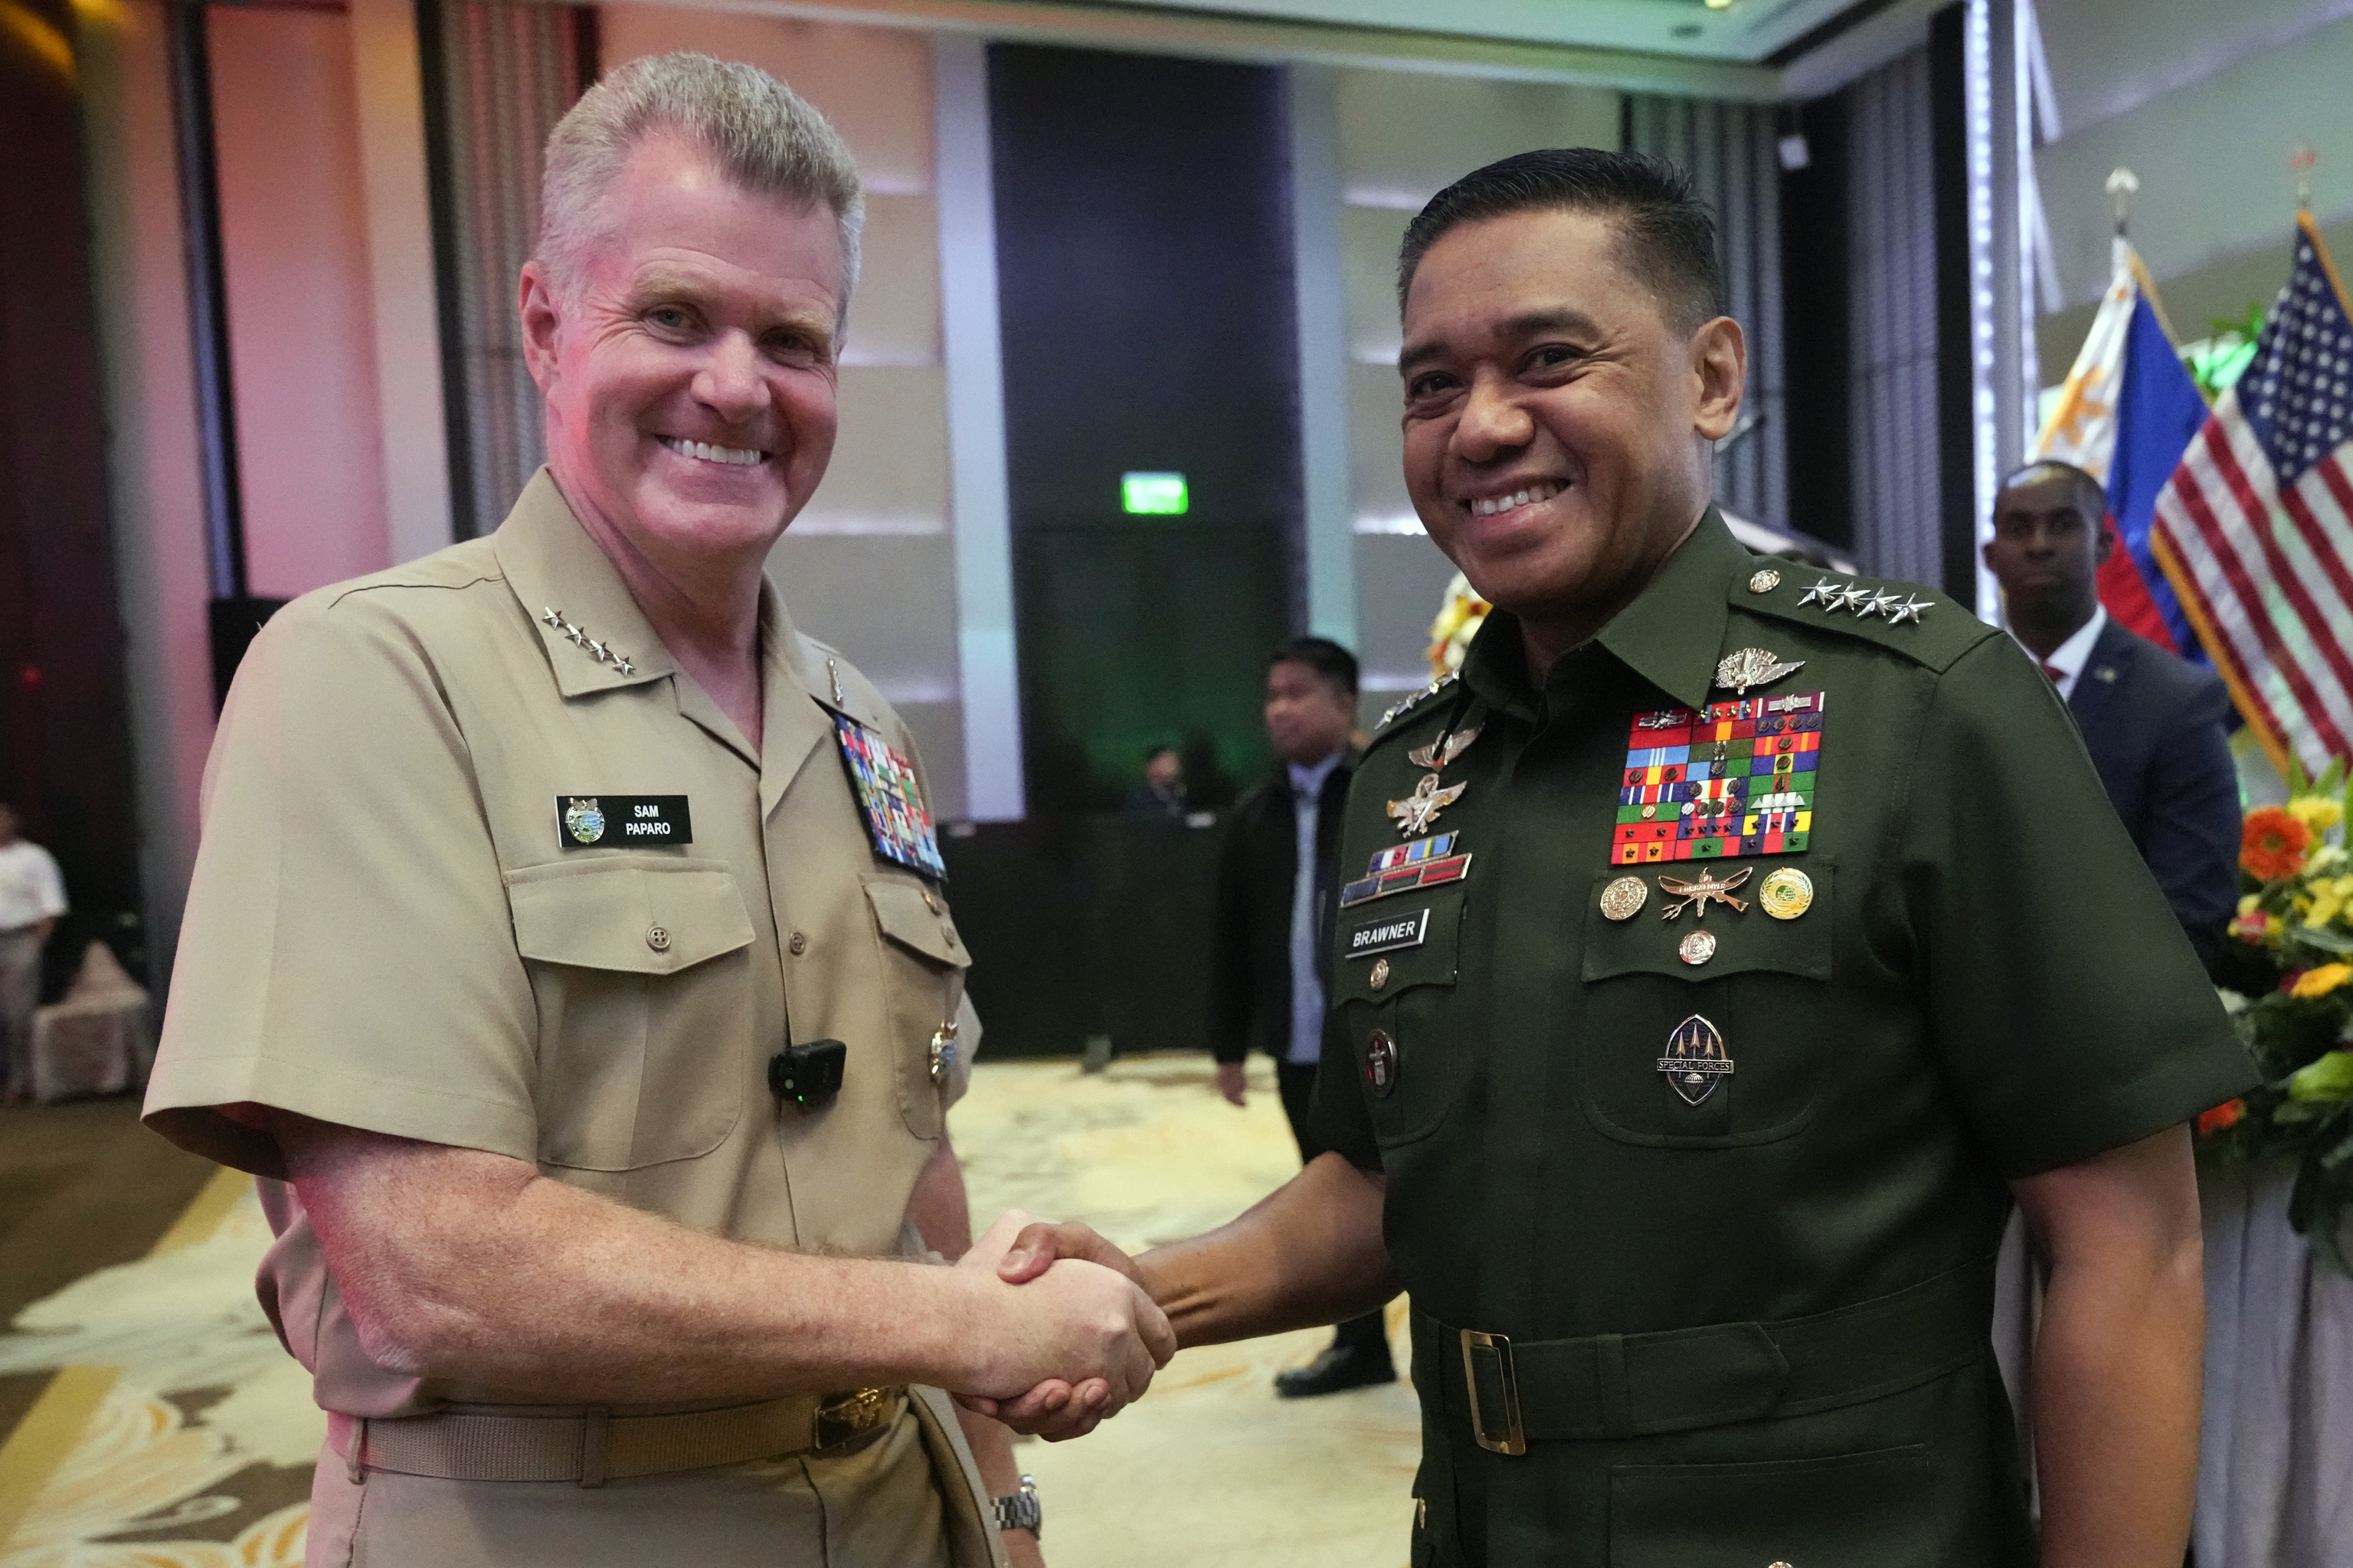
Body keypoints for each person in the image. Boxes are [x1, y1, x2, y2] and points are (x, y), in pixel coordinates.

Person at [976, 149, 2256, 1565]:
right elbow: (1384, 1182)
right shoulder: (1410, 778)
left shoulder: (1919, 707)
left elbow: (2131, 1248)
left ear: (1710, 379)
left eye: (1546, 358)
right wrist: (1147, 1289)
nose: (1479, 426)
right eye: (1428, 385)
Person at [140, 54, 1170, 1568]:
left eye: (793, 338)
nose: (738, 387)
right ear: (548, 322)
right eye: (675, 316)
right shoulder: (373, 679)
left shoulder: (857, 728)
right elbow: (437, 1263)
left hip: (897, 1503)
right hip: (545, 1524)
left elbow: (905, 1160)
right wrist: (963, 1324)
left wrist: (1000, 1488)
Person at [1209, 637, 1392, 1397]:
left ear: (1344, 704)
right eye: (1272, 695)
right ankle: (1360, 1344)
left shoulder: (1388, 798)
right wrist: (1228, 1045)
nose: (1279, 709)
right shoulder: (1253, 816)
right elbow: (1230, 937)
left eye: (1297, 693)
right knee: (1324, 1193)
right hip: (1298, 1043)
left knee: (1411, 1192)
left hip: (1376, 1042)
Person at [1985, 460, 2240, 970]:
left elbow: (2192, 917)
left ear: (2103, 546)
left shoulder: (2177, 702)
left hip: (2111, 1023)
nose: (2038, 543)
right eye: (2018, 528)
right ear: (1990, 556)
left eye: (2062, 524)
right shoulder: (1952, 690)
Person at [0, 800, 67, 1105]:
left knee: (18, 1018)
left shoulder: (34, 858)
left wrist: (35, 945)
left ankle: (20, 1083)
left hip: (20, 940)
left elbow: (51, 907)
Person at [1123, 745, 1189, 819]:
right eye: (1167, 763)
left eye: (1175, 763)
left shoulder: (1182, 795)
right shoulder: (1139, 799)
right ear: (1152, 766)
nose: (1174, 769)